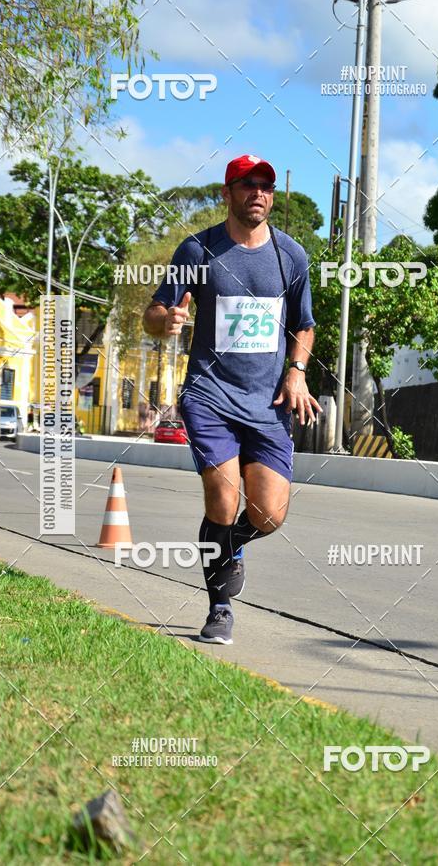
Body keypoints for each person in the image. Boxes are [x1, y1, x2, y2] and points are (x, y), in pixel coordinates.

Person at [143, 154, 321, 644]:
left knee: (269, 515)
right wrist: (167, 322)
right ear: (228, 193)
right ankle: (219, 607)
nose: (258, 192)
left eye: (265, 184)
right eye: (247, 185)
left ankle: (231, 546)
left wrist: (297, 372)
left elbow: (303, 326)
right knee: (222, 498)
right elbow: (155, 312)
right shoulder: (199, 250)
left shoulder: (291, 256)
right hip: (210, 394)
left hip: (268, 404)